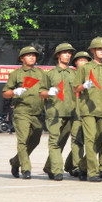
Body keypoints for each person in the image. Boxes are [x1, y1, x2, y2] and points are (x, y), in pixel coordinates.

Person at [74, 37, 102, 182]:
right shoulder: (85, 68)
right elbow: (75, 88)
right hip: (88, 110)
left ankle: (83, 166)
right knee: (90, 140)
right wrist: (84, 86)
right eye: (99, 49)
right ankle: (92, 172)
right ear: (92, 51)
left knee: (100, 140)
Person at [5, 46, 46, 180]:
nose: (32, 57)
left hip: (37, 113)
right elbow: (5, 93)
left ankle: (15, 161)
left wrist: (50, 93)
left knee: (35, 140)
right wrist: (14, 92)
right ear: (22, 58)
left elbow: (44, 91)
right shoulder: (16, 74)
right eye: (28, 55)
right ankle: (26, 169)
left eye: (34, 55)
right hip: (22, 111)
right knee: (22, 140)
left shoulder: (41, 73)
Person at [41, 42, 77, 180]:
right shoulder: (50, 74)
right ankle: (57, 170)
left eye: (69, 53)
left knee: (62, 141)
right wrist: (48, 92)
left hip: (71, 112)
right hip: (54, 112)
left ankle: (49, 166)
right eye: (64, 53)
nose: (67, 55)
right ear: (58, 55)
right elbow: (41, 93)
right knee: (55, 141)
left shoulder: (74, 73)